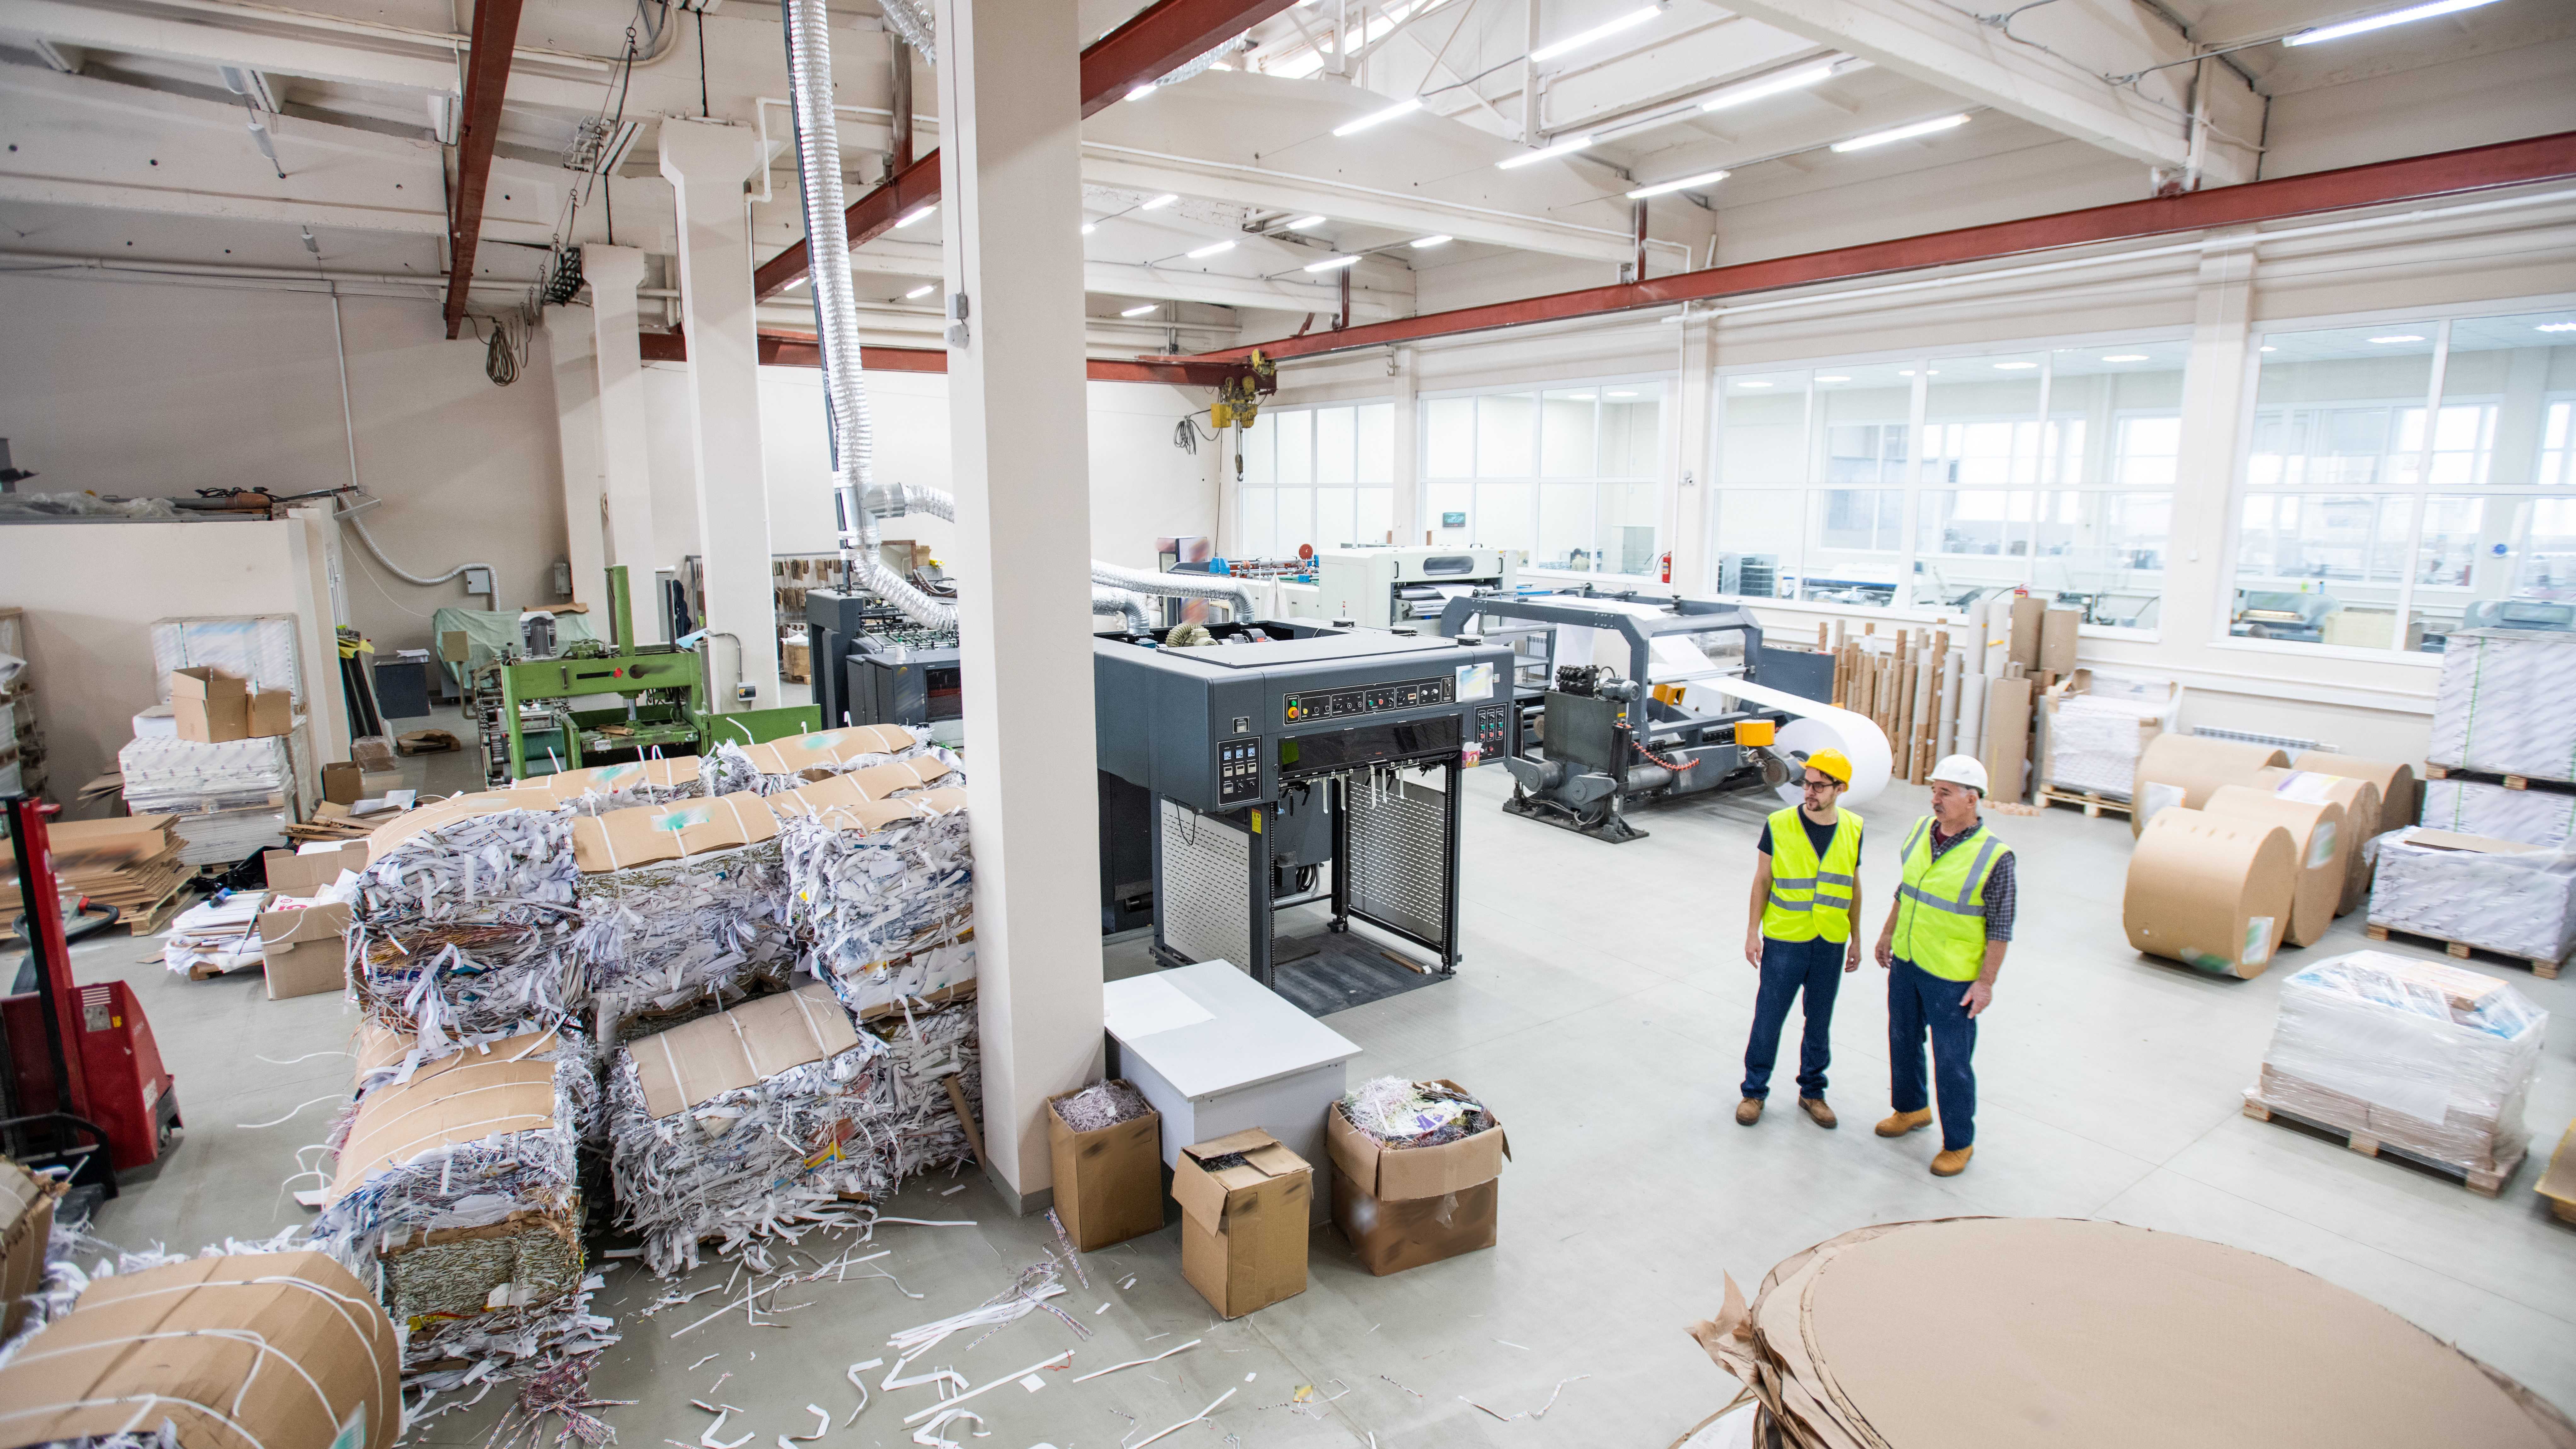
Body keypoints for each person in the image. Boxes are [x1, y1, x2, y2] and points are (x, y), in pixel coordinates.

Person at [1873, 754, 2014, 1177]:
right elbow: (1908, 888)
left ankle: (1958, 1142)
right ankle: (1911, 1108)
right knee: (1901, 1039)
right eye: (1934, 791)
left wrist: (1985, 983)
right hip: (1909, 959)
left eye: (1945, 793)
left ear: (1972, 800)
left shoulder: (1994, 857)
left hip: (1952, 977)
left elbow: (2000, 928)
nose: (1935, 799)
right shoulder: (1921, 831)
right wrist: (1885, 934)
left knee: (1951, 1060)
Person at [1735, 750, 1863, 1130]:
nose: (1809, 791)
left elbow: (1853, 884)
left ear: (1839, 789)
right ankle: (1753, 1091)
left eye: (1819, 785)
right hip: (1786, 939)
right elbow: (1762, 879)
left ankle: (1813, 1091)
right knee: (1769, 1017)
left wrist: (1856, 938)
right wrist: (1751, 933)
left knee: (1819, 1021)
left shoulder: (1854, 827)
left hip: (1830, 941)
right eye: (1806, 783)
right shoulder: (1778, 823)